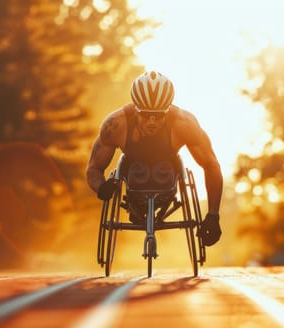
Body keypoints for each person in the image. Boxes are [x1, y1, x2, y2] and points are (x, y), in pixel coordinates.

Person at [85, 71, 223, 246]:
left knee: (165, 168)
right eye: (145, 114)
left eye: (158, 115)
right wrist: (101, 187)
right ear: (135, 109)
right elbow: (94, 168)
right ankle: (136, 208)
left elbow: (211, 165)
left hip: (168, 182)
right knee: (135, 170)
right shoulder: (116, 124)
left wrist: (213, 216)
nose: (151, 121)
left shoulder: (185, 124)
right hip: (133, 183)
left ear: (168, 109)